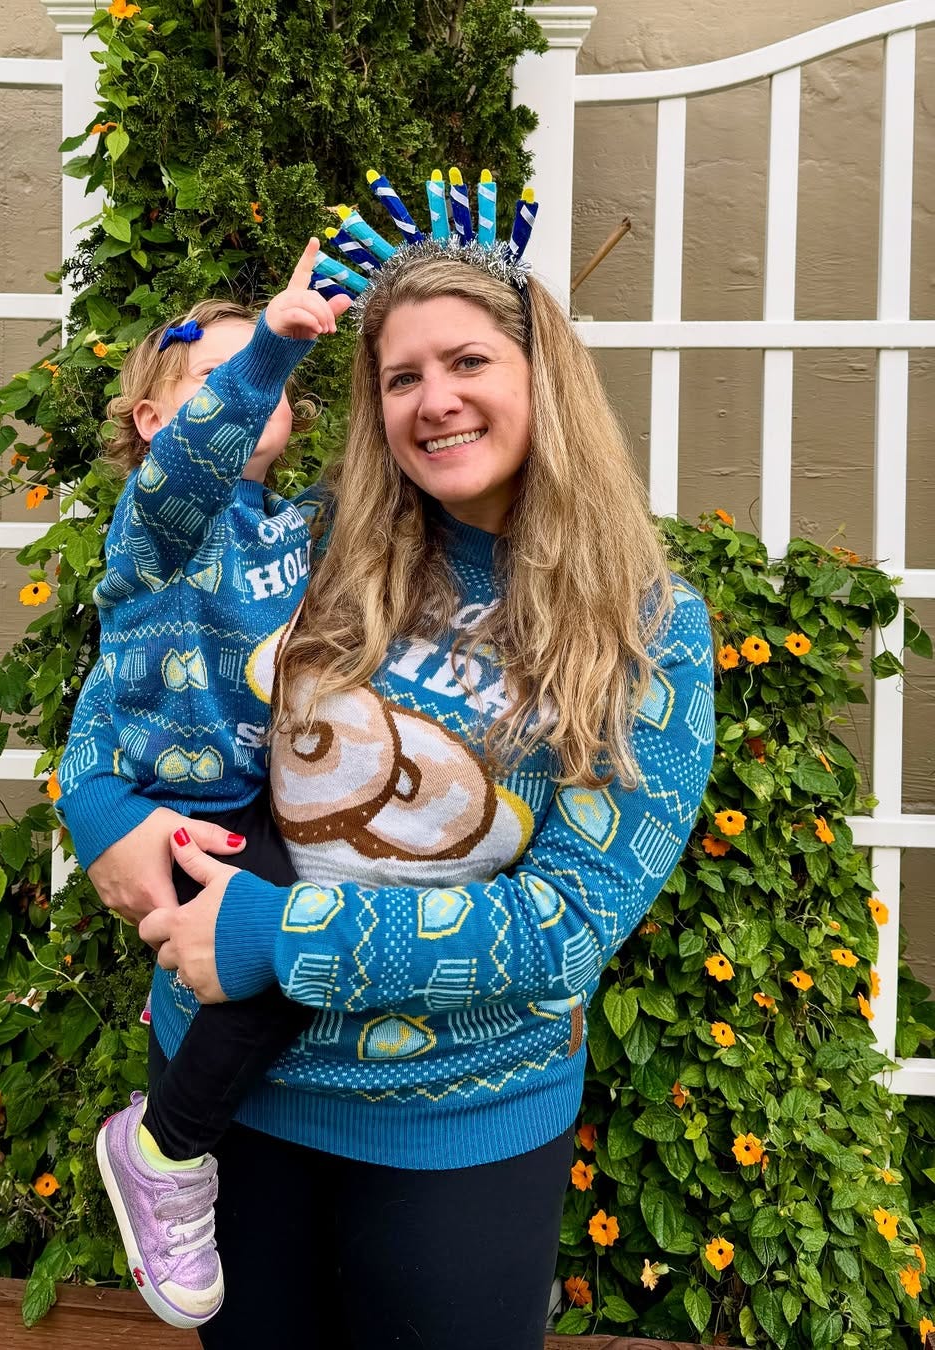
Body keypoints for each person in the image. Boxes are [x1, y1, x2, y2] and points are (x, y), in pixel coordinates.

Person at [59, 177, 715, 1350]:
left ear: (540, 379)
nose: (435, 402)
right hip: (229, 1101)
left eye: (467, 362)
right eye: (400, 377)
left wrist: (281, 933)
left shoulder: (646, 627)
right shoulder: (317, 546)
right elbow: (142, 623)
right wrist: (99, 803)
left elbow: (566, 923)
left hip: (459, 1129)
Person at [55, 242, 350, 1330]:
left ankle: (171, 1141)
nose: (254, 394)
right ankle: (162, 1152)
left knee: (295, 951)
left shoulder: (304, 525)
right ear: (151, 423)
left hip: (268, 810)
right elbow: (195, 465)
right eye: (218, 381)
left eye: (271, 383)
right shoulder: (159, 525)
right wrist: (270, 342)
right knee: (263, 970)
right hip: (177, 810)